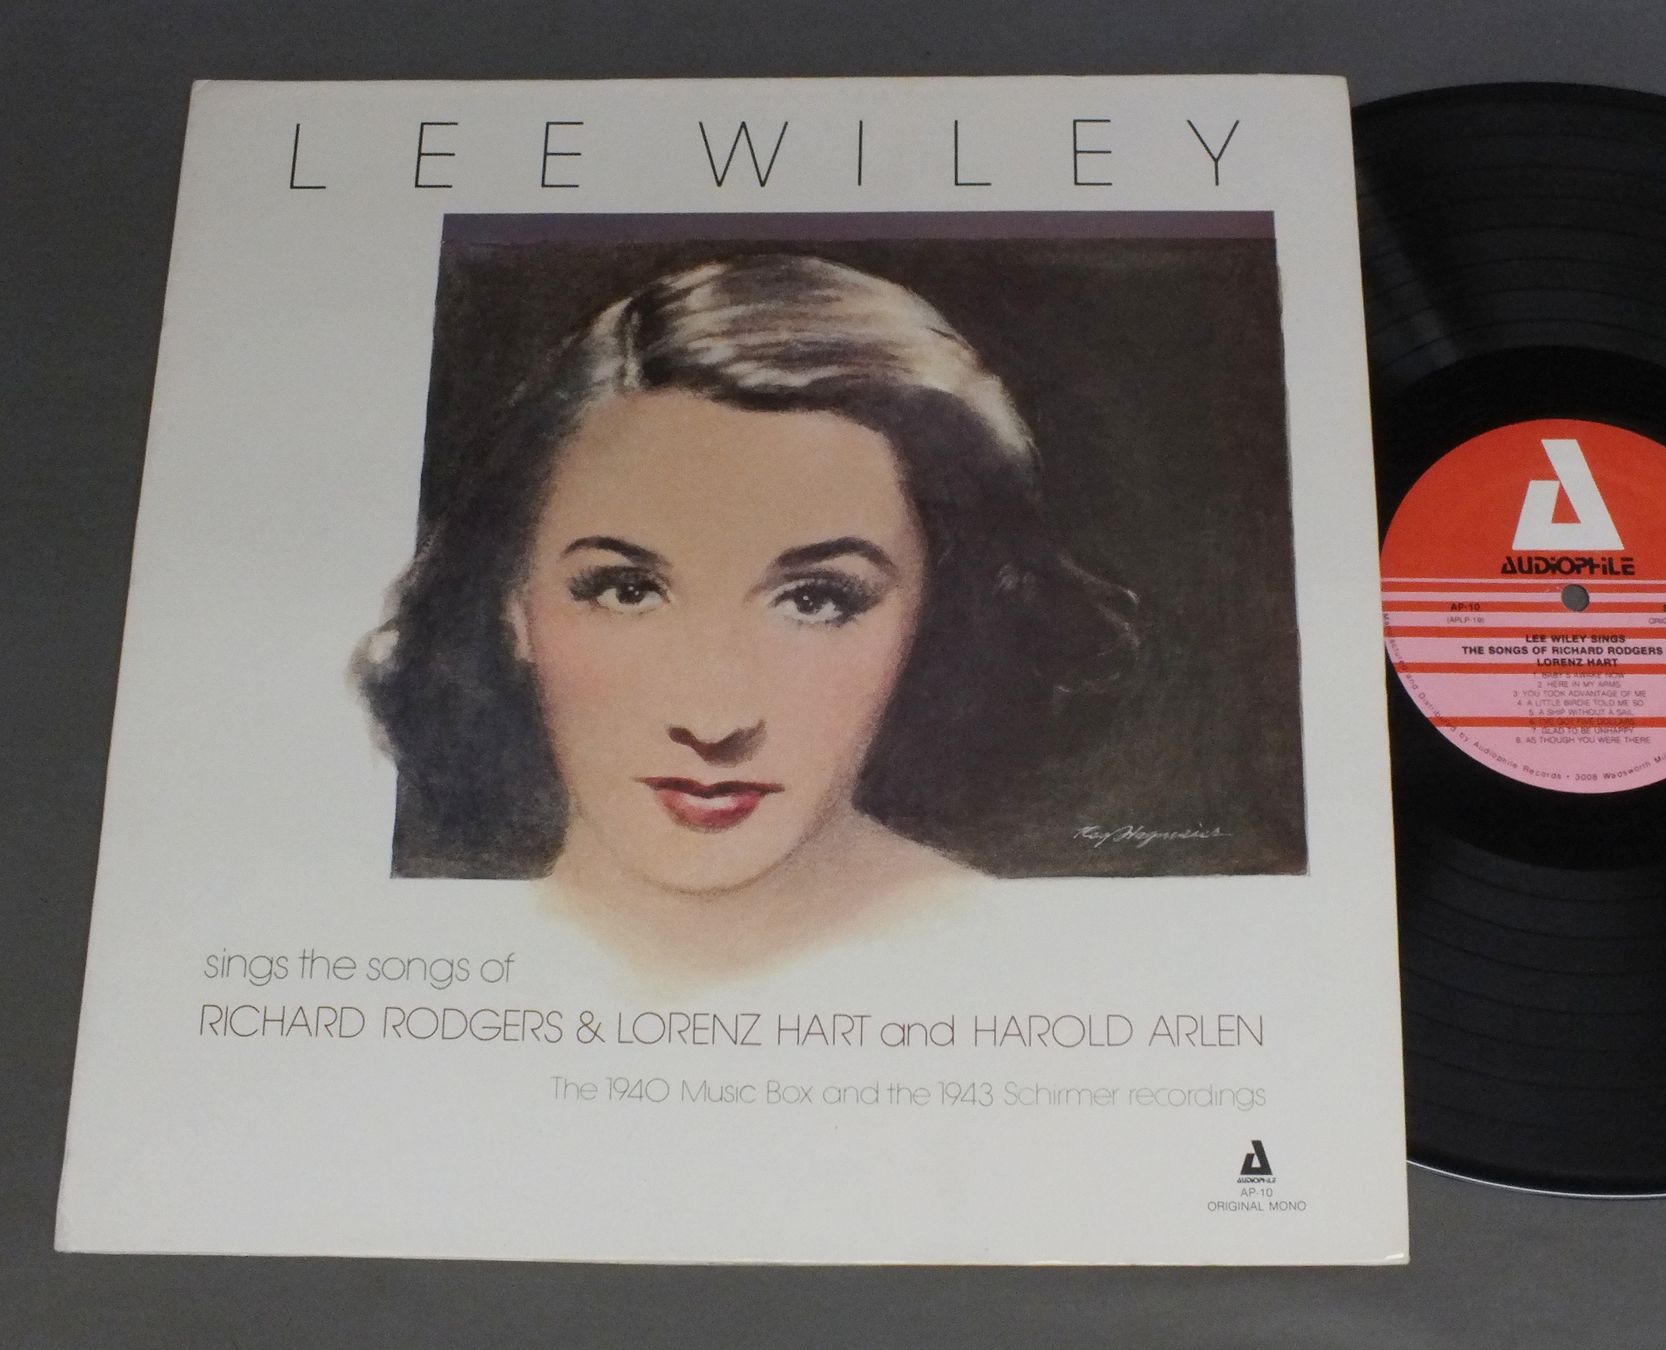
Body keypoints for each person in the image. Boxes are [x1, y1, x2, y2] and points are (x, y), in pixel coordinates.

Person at [357, 253, 1135, 976]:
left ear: (932, 614)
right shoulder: (408, 944)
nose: (713, 720)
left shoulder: (1045, 958)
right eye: (627, 590)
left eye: (816, 600)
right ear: (513, 602)